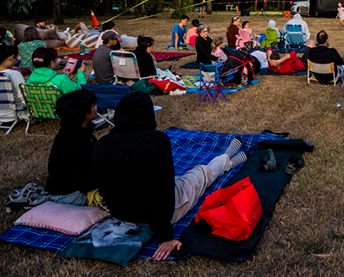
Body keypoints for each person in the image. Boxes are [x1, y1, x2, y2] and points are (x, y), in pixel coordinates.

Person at [91, 92, 248, 260]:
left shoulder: (102, 143)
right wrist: (166, 236)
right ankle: (227, 160)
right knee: (201, 174)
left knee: (177, 178)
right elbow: (160, 192)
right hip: (158, 214)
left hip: (122, 212)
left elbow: (103, 183)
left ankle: (226, 160)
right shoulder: (157, 141)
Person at [45, 89, 99, 205]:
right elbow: (84, 181)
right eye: (93, 105)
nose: (96, 108)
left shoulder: (77, 133)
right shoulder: (76, 141)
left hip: (74, 189)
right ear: (85, 113)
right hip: (70, 195)